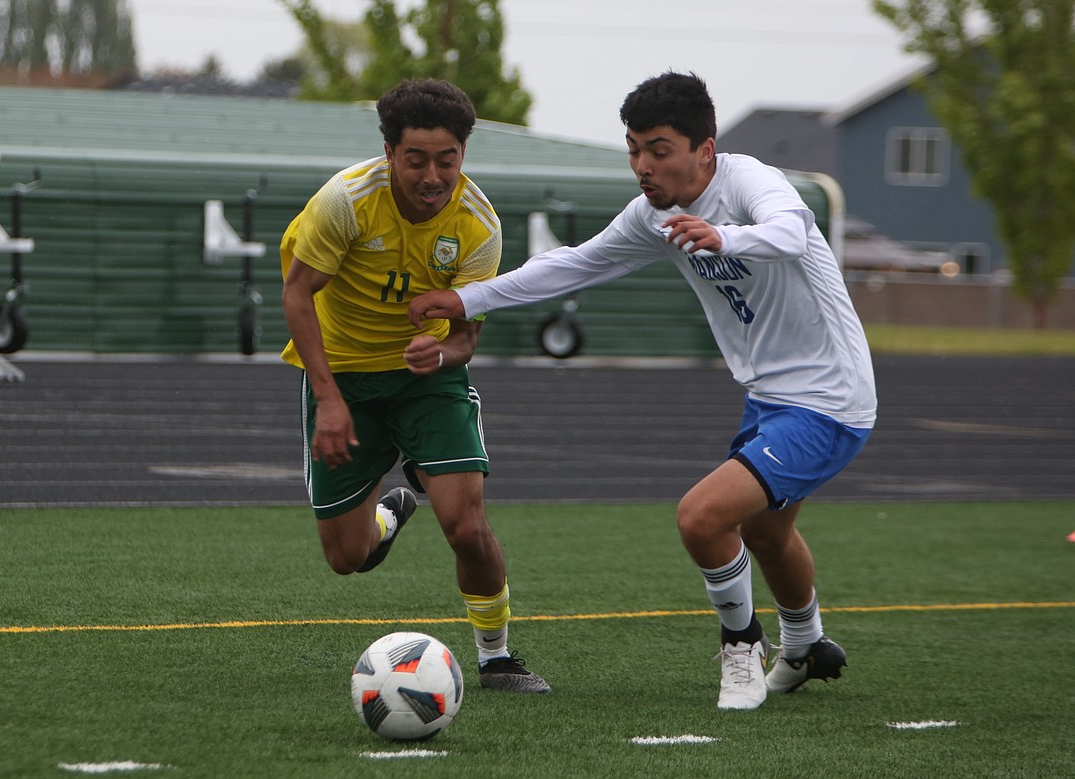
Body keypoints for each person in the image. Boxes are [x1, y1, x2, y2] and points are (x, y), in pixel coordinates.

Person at [408, 71, 875, 711]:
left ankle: (742, 645)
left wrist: (726, 236)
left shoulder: (749, 183)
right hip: (770, 397)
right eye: (633, 148)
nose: (642, 165)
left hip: (830, 398)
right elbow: (571, 264)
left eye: (658, 149)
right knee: (766, 534)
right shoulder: (654, 214)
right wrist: (464, 298)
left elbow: (792, 231)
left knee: (702, 518)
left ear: (704, 150)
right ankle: (807, 647)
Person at [279, 78, 549, 694]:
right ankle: (387, 517)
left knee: (466, 524)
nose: (433, 176)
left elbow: (465, 341)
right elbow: (297, 295)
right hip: (343, 379)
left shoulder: (478, 226)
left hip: (425, 384)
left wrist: (442, 350)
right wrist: (327, 401)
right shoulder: (344, 203)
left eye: (447, 160)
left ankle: (496, 656)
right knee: (346, 558)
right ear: (388, 151)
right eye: (416, 160)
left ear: (463, 154)